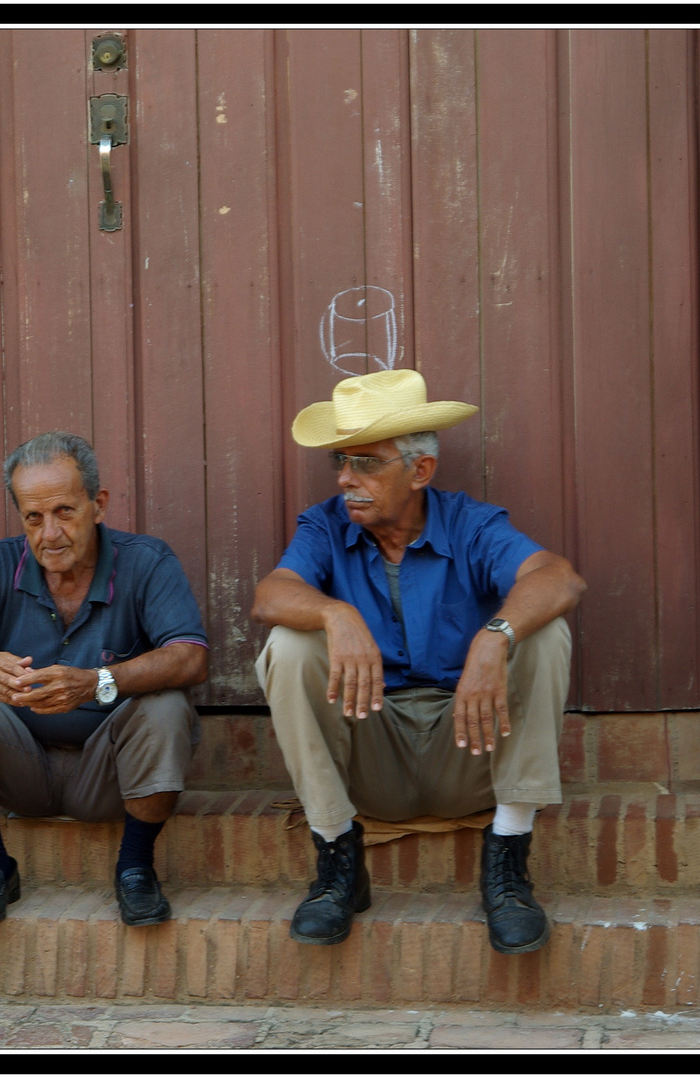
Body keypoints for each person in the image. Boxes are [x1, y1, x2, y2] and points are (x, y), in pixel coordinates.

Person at [251, 369, 586, 953]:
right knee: (289, 642)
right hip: (369, 760)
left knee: (544, 632)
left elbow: (558, 578)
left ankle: (508, 861)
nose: (346, 478)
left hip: (472, 748)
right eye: (341, 461)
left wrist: (495, 635)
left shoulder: (471, 523)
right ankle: (336, 860)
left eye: (367, 463)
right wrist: (336, 614)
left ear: (420, 470)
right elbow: (270, 594)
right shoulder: (324, 525)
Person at [0, 432, 209, 928]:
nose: (50, 534)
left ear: (98, 504)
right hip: (20, 769)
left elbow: (190, 657)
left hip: (109, 773)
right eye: (33, 518)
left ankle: (135, 866)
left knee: (166, 704)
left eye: (65, 511)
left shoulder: (146, 562)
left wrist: (97, 681)